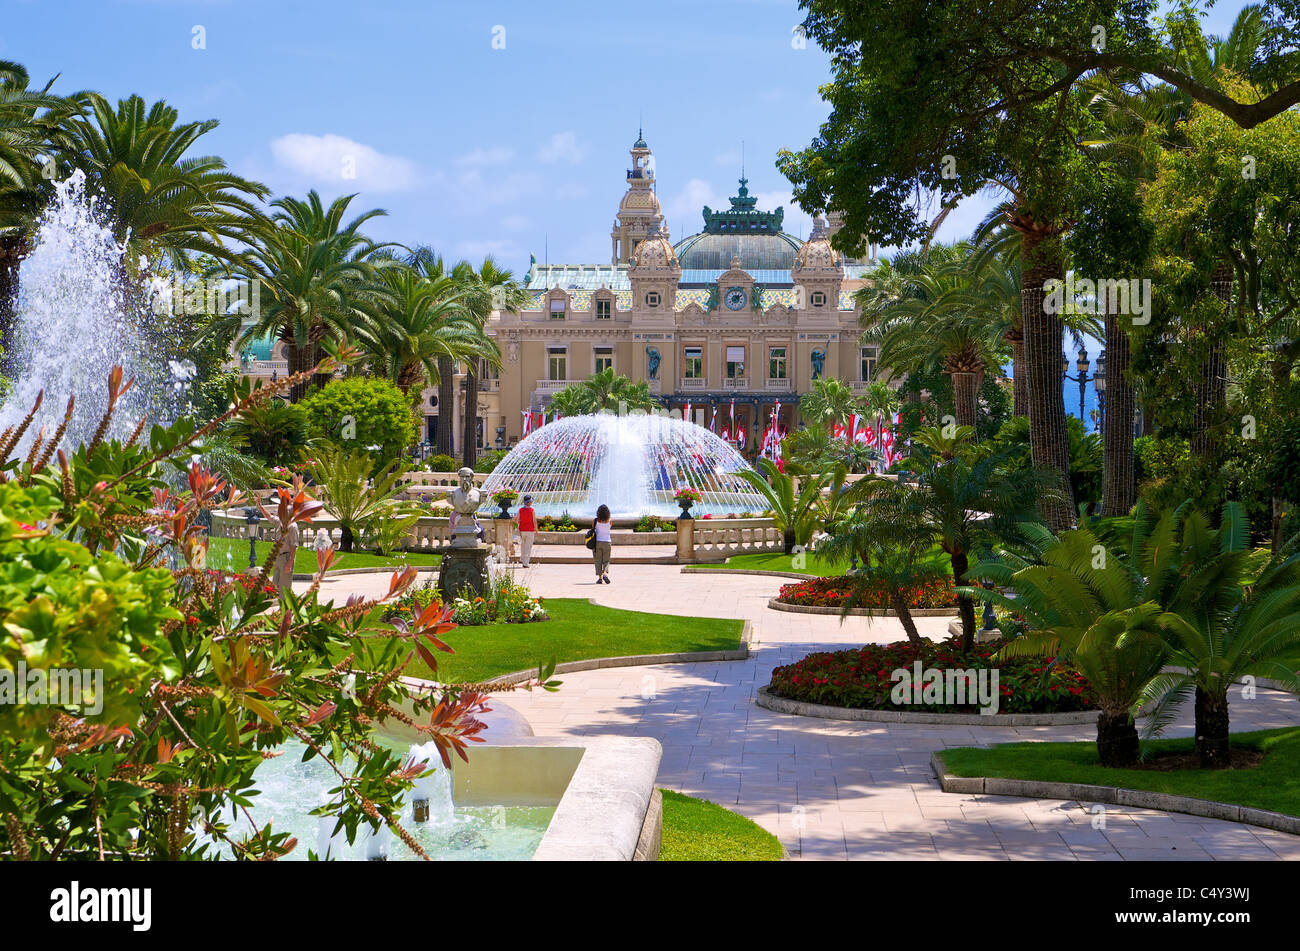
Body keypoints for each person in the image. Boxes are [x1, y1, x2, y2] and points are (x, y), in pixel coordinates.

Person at [591, 503, 613, 584]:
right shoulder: (610, 521)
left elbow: (593, 529)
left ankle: (600, 578)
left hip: (597, 543)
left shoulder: (595, 521)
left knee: (598, 560)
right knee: (606, 560)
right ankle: (605, 573)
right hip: (607, 542)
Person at [517, 494, 537, 567]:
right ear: (529, 502)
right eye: (531, 501)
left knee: (523, 545)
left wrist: (520, 521)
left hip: (522, 529)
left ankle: (522, 558)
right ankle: (525, 563)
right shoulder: (532, 510)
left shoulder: (520, 510)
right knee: (528, 546)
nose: (531, 502)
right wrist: (536, 529)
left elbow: (517, 520)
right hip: (530, 530)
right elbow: (534, 521)